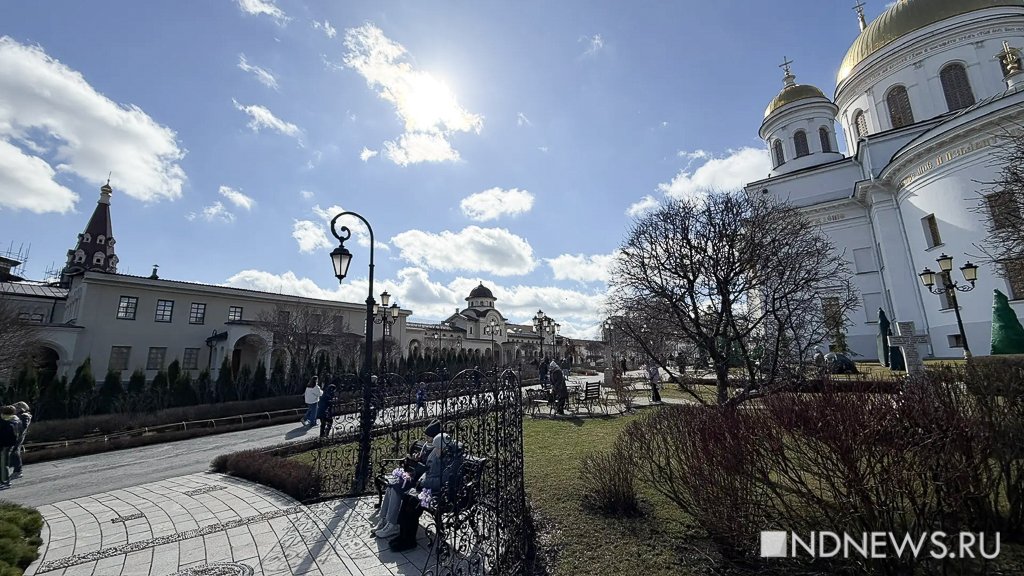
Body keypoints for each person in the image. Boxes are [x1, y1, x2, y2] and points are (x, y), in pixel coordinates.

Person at [372, 419, 458, 539]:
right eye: (426, 437)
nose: (427, 440)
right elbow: (426, 466)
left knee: (398, 490)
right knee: (391, 487)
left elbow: (434, 473)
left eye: (429, 437)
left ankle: (393, 524)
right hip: (416, 477)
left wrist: (419, 471)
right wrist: (415, 461)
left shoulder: (440, 452)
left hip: (422, 483)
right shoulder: (429, 448)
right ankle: (384, 520)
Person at [0, 406, 22, 488]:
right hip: (10, 444)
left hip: (4, 445)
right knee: (3, 463)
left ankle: (5, 482)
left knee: (3, 464)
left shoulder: (6, 421)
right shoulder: (16, 420)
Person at [10, 402, 31, 479]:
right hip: (16, 436)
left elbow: (23, 427)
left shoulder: (24, 416)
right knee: (13, 452)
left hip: (18, 437)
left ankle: (18, 471)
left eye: (16, 408)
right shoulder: (20, 416)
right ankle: (17, 470)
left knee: (15, 451)